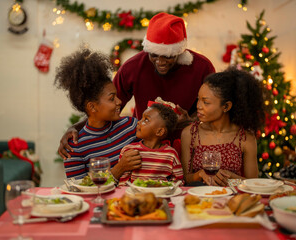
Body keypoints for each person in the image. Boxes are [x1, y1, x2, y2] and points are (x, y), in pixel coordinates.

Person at [57, 12, 215, 159]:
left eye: (167, 56)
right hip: (144, 147)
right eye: (154, 55)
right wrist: (76, 128)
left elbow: (215, 108)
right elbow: (104, 106)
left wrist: (191, 120)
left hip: (189, 144)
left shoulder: (202, 67)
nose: (160, 62)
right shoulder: (133, 67)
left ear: (179, 51)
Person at [54, 48, 142, 182]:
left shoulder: (131, 126)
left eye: (117, 96)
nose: (119, 102)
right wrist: (119, 168)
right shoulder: (75, 146)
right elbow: (80, 189)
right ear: (92, 106)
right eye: (112, 98)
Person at [180, 68, 265, 186]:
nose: (198, 106)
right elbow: (185, 179)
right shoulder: (190, 133)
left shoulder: (245, 138)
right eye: (198, 99)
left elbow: (253, 184)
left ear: (226, 106)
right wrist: (200, 174)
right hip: (198, 200)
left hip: (231, 200)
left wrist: (230, 177)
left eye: (206, 102)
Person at [119, 103, 183, 186]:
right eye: (141, 118)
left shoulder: (171, 154)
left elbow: (179, 181)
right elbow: (123, 181)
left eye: (146, 120)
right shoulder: (129, 150)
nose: (139, 122)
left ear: (160, 131)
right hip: (135, 196)